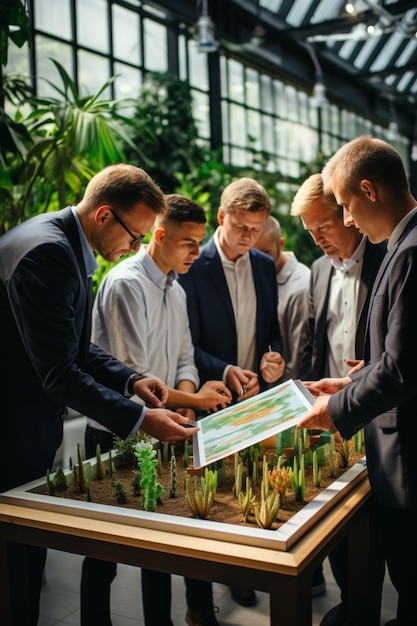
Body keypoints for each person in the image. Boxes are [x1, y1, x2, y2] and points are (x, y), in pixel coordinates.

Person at [0, 164, 199, 625]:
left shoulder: (63, 242)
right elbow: (59, 374)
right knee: (15, 580)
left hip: (24, 428)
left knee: (26, 566)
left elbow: (74, 344)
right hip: (10, 433)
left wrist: (130, 380)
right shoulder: (48, 254)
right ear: (105, 216)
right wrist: (138, 418)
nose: (135, 247)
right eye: (135, 236)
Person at [82, 194, 231, 626]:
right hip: (116, 429)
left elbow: (185, 359)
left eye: (199, 242)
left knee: (163, 541)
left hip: (165, 424)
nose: (197, 252)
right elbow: (136, 377)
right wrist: (197, 401)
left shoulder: (177, 288)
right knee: (102, 550)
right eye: (188, 242)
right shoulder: (126, 283)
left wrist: (185, 409)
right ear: (160, 236)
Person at [297, 135, 417, 626]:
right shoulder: (403, 244)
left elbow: (402, 369)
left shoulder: (409, 252)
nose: (347, 220)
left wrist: (338, 410)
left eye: (345, 206)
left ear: (368, 190)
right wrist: (349, 384)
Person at [179, 177, 286, 608]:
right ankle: (199, 606)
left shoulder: (263, 264)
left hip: (254, 401)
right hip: (209, 399)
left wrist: (272, 359)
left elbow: (271, 334)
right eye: (241, 227)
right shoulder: (193, 264)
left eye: (257, 229)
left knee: (246, 494)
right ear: (221, 217)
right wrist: (225, 369)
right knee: (205, 505)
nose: (249, 237)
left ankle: (240, 575)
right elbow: (186, 343)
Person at [290, 171, 386, 622]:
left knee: (378, 529)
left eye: (322, 227)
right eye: (309, 232)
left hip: (382, 417)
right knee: (334, 529)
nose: (317, 241)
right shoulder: (316, 271)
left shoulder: (388, 255)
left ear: (346, 214)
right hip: (329, 419)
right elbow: (310, 344)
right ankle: (353, 604)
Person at [253, 214, 310, 381]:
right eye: (253, 254)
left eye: (265, 253)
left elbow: (297, 360)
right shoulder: (255, 275)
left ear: (281, 244)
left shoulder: (301, 287)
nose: (259, 261)